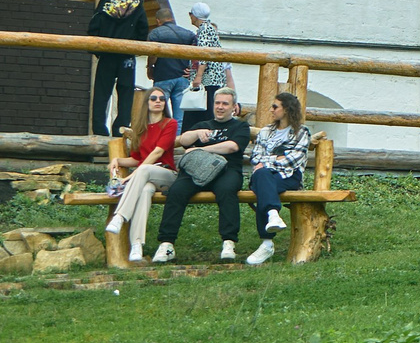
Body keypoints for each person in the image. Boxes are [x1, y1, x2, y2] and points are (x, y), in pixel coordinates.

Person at [152, 86, 250, 263]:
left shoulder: (240, 126)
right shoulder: (203, 125)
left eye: (225, 104)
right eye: (217, 103)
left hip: (227, 170)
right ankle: (167, 244)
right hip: (196, 171)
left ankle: (228, 242)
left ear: (234, 107)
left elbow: (232, 147)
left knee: (227, 191)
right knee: (176, 191)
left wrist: (201, 149)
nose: (220, 107)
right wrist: (196, 133)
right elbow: (183, 140)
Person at [103, 85, 178, 262]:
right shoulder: (140, 128)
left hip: (167, 175)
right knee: (145, 191)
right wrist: (118, 160)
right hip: (146, 177)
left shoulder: (170, 123)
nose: (158, 101)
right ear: (147, 103)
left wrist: (130, 177)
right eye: (154, 98)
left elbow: (157, 153)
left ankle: (120, 216)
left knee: (144, 170)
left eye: (162, 99)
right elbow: (137, 159)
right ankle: (137, 245)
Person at [244, 92, 314, 266]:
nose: (271, 110)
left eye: (275, 107)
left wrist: (268, 161)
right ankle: (273, 214)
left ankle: (267, 243)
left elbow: (294, 160)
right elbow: (255, 158)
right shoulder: (266, 131)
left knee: (262, 179)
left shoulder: (301, 132)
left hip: (289, 176)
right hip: (265, 175)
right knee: (262, 176)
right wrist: (277, 159)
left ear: (287, 109)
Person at [86, 0, 150, 134]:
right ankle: (120, 129)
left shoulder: (105, 1)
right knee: (126, 94)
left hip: (107, 54)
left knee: (102, 94)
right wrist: (136, 47)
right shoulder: (137, 2)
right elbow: (143, 28)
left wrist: (98, 51)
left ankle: (99, 130)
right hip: (127, 56)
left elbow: (94, 28)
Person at [143, 18, 198, 126]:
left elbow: (153, 54)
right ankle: (177, 136)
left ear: (158, 21)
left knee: (157, 112)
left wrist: (150, 67)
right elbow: (196, 51)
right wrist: (193, 69)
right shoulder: (188, 34)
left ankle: (160, 134)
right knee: (179, 118)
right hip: (182, 77)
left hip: (163, 76)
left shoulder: (156, 33)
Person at [184, 3, 230, 130]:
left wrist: (198, 76)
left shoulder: (204, 29)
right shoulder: (208, 28)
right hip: (210, 79)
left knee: (204, 111)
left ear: (195, 15)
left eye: (191, 14)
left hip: (208, 79)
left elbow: (204, 54)